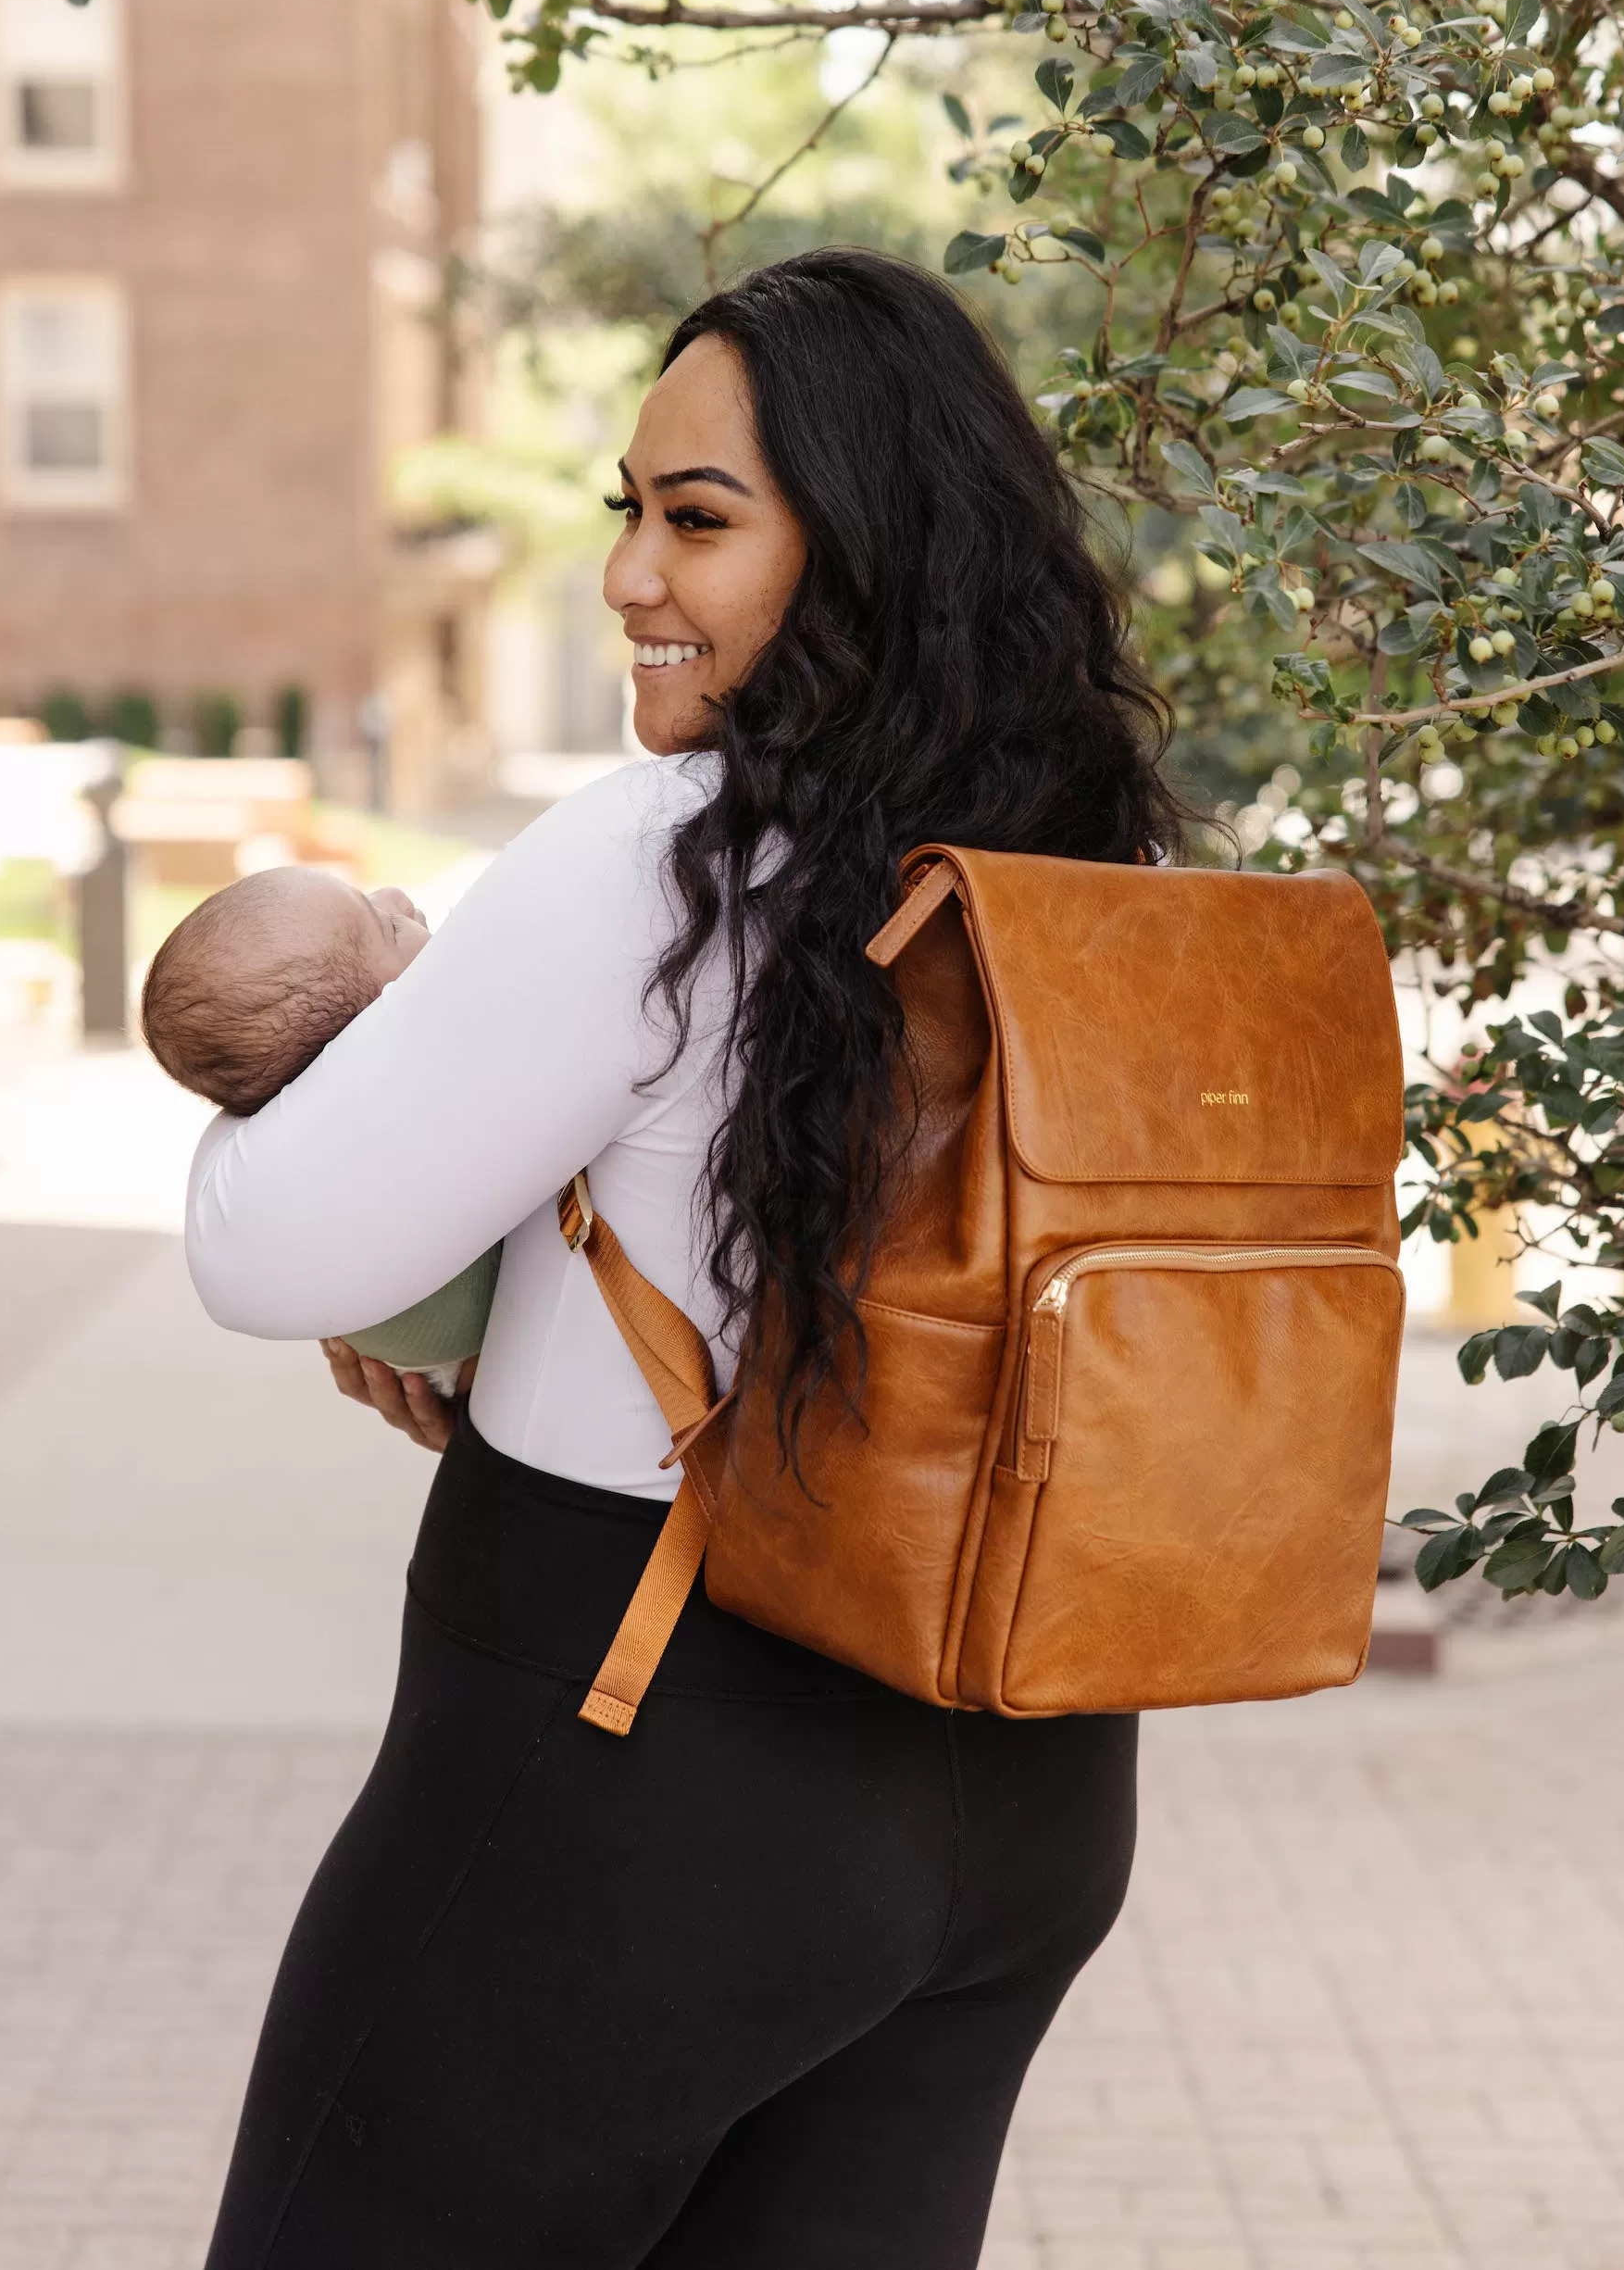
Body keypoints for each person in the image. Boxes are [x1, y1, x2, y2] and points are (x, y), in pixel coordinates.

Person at [190, 247, 1183, 2270]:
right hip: (1027, 1800)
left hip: (641, 1784)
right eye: (628, 512)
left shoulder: (670, 849)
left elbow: (269, 1243)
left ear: (868, 543)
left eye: (701, 519)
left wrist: (298, 1046)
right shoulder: (1111, 871)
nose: (634, 574)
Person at [139, 870, 497, 1391]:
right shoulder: (436, 1095)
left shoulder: (315, 1145)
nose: (398, 897)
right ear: (375, 1026)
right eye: (390, 929)